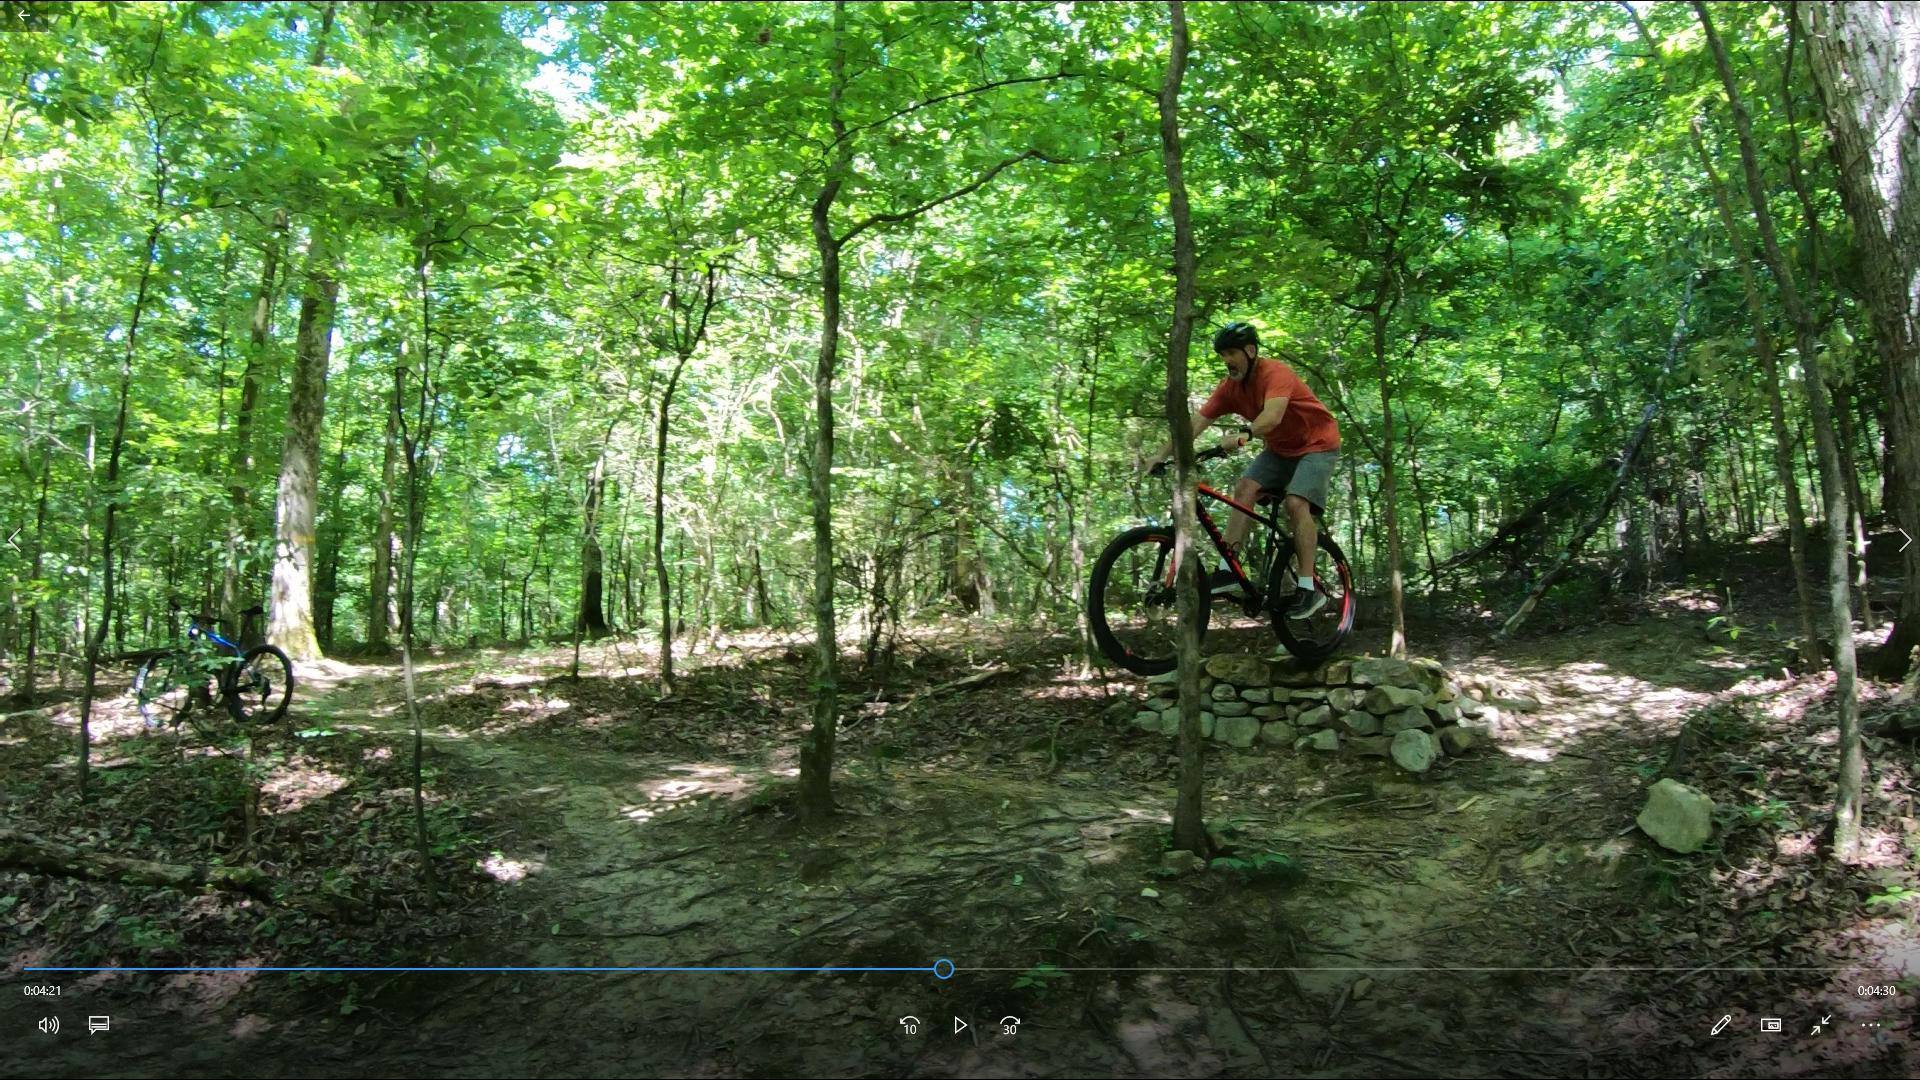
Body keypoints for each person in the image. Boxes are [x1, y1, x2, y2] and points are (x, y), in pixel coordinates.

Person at [1144, 321, 1341, 619]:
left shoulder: (1276, 373)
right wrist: (1159, 456)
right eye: (1222, 354)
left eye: (1232, 353)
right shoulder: (1229, 389)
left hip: (1318, 445)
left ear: (1250, 351)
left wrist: (1245, 434)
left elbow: (1272, 416)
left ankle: (1307, 588)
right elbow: (1194, 425)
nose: (1226, 360)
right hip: (1280, 450)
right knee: (1244, 489)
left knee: (1295, 502)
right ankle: (1230, 570)